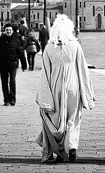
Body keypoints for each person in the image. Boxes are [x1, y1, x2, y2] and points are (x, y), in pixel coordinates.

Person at [36, 14, 95, 163]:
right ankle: (72, 146)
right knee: (73, 118)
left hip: (55, 87)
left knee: (56, 120)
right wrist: (87, 94)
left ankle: (61, 152)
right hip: (73, 87)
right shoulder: (75, 45)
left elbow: (45, 73)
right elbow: (82, 70)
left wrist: (44, 96)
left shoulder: (49, 47)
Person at [0, 23, 27, 106]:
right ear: (4, 31)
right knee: (4, 83)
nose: (8, 31)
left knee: (12, 81)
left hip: (13, 64)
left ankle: (12, 99)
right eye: (7, 30)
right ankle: (6, 99)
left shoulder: (16, 40)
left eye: (10, 30)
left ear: (12, 31)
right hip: (3, 65)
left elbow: (21, 53)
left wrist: (24, 64)